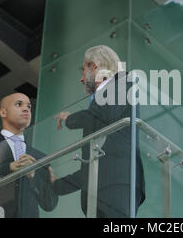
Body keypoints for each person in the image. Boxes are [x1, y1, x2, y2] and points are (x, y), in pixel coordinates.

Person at [54, 45, 146, 218]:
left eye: (83, 70)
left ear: (94, 66)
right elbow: (92, 165)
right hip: (103, 186)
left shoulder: (123, 82)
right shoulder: (103, 102)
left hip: (117, 184)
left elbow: (102, 115)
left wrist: (69, 119)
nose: (81, 79)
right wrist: (56, 184)